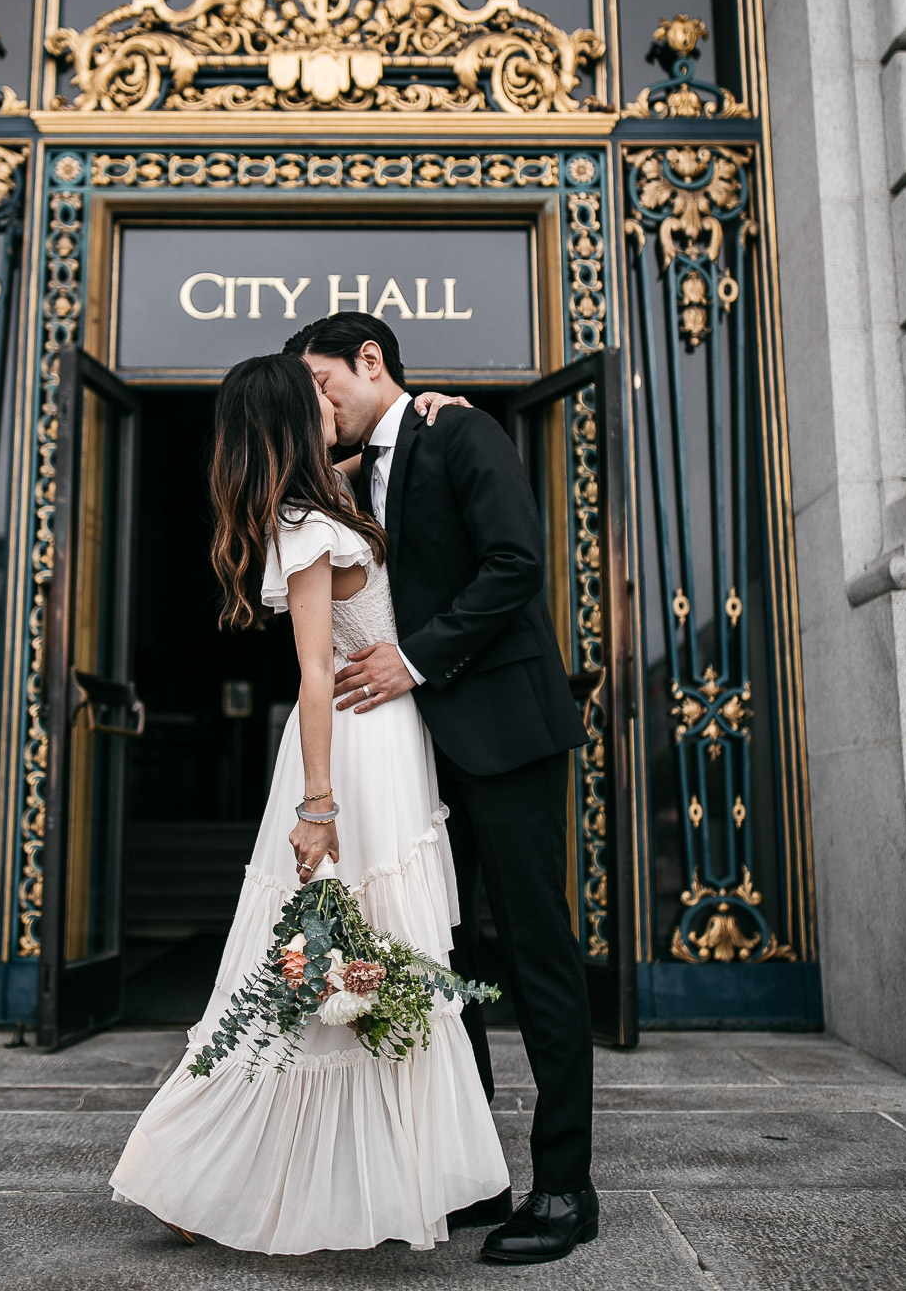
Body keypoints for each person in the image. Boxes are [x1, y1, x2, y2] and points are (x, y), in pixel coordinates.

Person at [108, 353, 509, 1253]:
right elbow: (315, 672)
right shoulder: (303, 522)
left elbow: (401, 441)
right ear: (294, 415)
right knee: (316, 966)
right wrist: (318, 805)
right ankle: (195, 1171)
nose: (333, 400)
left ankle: (369, 1177)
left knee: (368, 965)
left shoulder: (334, 490)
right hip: (352, 754)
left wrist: (438, 405)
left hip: (390, 744)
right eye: (316, 395)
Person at [284, 313, 598, 1267]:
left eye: (325, 384)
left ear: (369, 361)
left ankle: (565, 1189)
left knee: (538, 955)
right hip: (420, 756)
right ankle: (477, 1175)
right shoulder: (347, 476)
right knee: (438, 963)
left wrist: (412, 660)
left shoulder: (460, 430)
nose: (319, 404)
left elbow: (517, 565)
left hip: (505, 736)